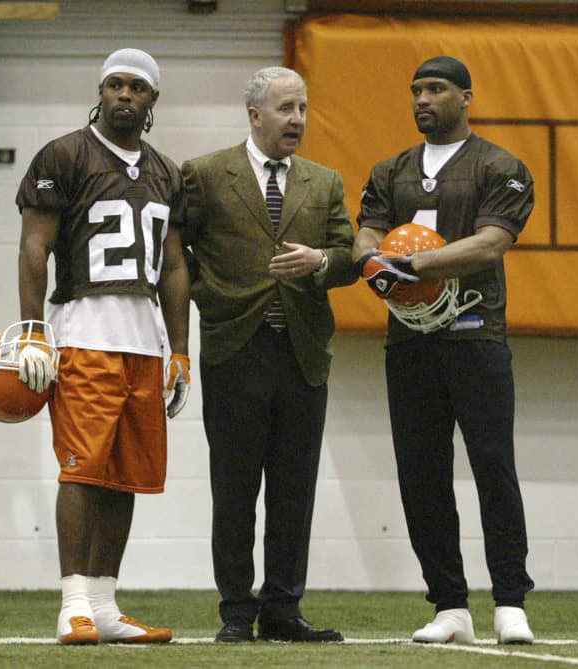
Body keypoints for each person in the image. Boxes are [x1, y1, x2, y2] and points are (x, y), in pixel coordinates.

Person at [352, 55, 536, 645]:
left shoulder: (500, 165)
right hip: (410, 342)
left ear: (467, 97)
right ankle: (450, 606)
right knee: (422, 476)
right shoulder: (390, 170)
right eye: (415, 90)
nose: (422, 99)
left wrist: (416, 264)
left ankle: (510, 601)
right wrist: (369, 261)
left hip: (476, 335)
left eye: (436, 89)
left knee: (493, 468)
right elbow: (367, 231)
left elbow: (491, 243)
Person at [15, 48, 191, 646]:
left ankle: (107, 603)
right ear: (100, 90)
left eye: (136, 88)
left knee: (126, 477)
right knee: (83, 471)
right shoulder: (64, 154)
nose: (124, 96)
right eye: (114, 85)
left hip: (144, 338)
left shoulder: (167, 170)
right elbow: (34, 246)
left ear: (152, 100)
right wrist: (33, 328)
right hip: (84, 330)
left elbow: (172, 266)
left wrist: (181, 351)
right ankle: (73, 604)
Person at [180, 66, 356, 643]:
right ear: (255, 114)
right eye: (285, 109)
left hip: (302, 354)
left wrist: (321, 263)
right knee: (233, 489)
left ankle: (283, 609)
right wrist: (201, 310)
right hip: (234, 350)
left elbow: (349, 255)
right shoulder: (205, 175)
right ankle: (236, 611)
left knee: (293, 491)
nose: (297, 120)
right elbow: (176, 255)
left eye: (302, 108)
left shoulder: (324, 181)